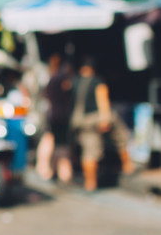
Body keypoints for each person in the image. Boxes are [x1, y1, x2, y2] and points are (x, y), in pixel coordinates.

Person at [70, 55, 135, 191]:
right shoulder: (97, 82)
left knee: (89, 150)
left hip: (81, 121)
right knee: (121, 137)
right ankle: (127, 165)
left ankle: (90, 183)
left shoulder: (74, 82)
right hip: (96, 118)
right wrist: (105, 118)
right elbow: (103, 100)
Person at [35, 53, 74, 183]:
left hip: (52, 115)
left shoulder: (51, 79)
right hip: (60, 116)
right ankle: (62, 172)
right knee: (60, 145)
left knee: (51, 141)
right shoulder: (61, 79)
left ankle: (48, 169)